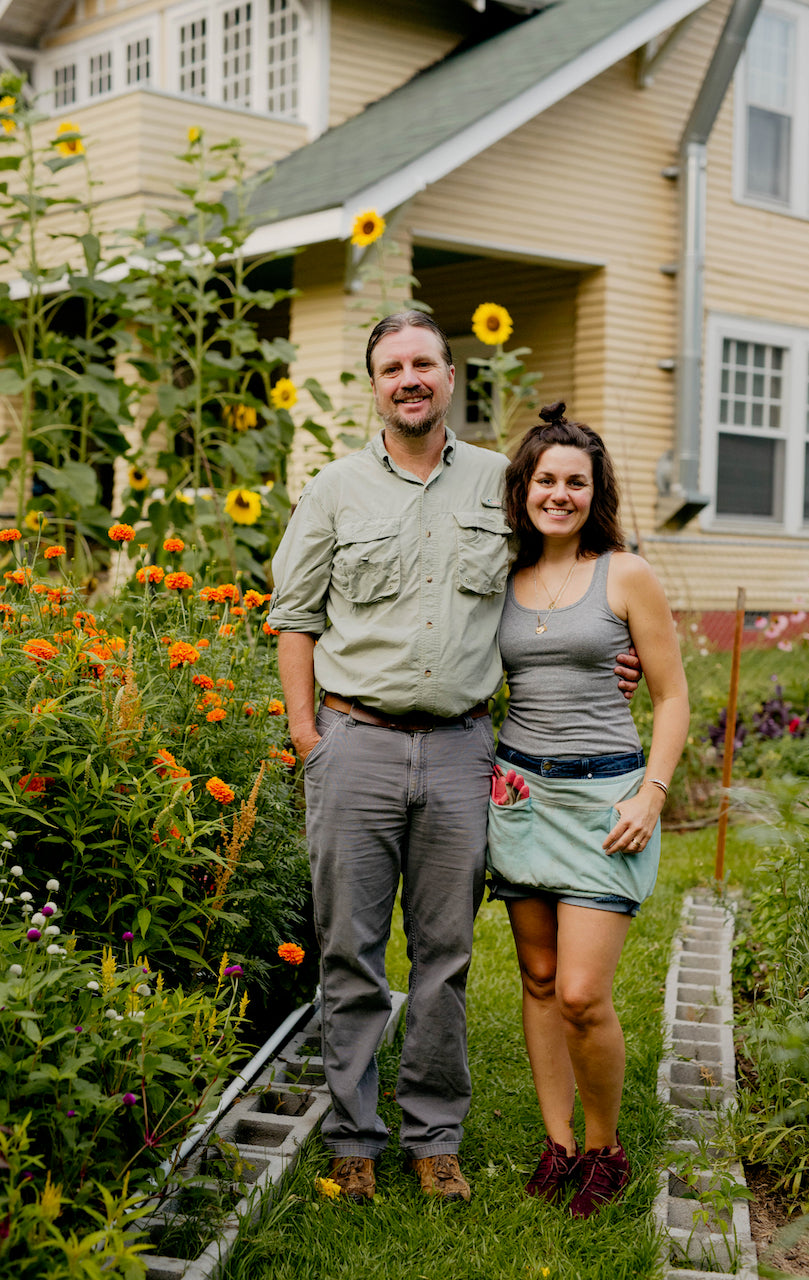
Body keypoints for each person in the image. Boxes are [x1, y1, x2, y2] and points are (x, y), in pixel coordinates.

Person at [268, 313, 640, 1205]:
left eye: (423, 363)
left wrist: (615, 642)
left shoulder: (498, 483)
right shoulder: (333, 490)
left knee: (445, 956)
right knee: (349, 953)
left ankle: (434, 1138)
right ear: (374, 384)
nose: (409, 378)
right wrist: (307, 737)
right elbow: (294, 617)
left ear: (447, 375)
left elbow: (568, 560)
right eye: (391, 366)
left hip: (463, 751)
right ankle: (353, 1139)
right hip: (353, 744)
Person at [486, 402, 689, 1218]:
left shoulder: (624, 573)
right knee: (537, 980)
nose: (559, 494)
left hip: (606, 797)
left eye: (576, 482)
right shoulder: (501, 578)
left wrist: (651, 793)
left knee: (579, 993)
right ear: (523, 488)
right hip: (519, 795)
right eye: (546, 480)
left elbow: (671, 696)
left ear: (594, 493)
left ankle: (606, 1150)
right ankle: (558, 1142)